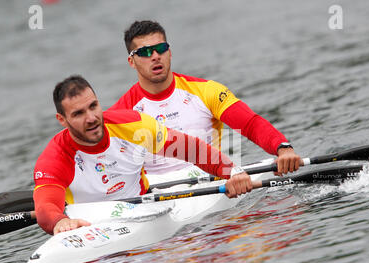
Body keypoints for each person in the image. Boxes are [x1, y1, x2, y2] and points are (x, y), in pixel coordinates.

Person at [34, 75, 253, 235]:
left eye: (93, 106)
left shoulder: (131, 124)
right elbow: (45, 207)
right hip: (92, 225)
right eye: (79, 113)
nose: (91, 118)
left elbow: (192, 150)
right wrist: (58, 222)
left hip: (143, 209)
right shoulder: (55, 157)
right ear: (62, 120)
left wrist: (231, 171)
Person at [109, 20, 301, 176]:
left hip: (213, 178)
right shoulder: (121, 113)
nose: (155, 56)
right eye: (145, 52)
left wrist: (283, 149)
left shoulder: (206, 91)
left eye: (161, 48)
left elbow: (250, 124)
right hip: (157, 195)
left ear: (170, 52)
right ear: (131, 62)